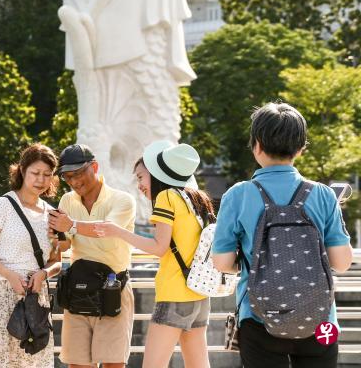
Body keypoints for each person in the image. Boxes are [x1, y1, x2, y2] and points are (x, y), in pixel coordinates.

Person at [212, 102, 353, 368]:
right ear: (300, 148)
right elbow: (342, 262)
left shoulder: (238, 195)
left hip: (257, 317)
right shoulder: (323, 194)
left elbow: (221, 262)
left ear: (256, 145)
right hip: (322, 321)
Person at [94, 141, 213, 368]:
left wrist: (117, 231)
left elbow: (160, 247)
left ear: (157, 174)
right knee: (198, 364)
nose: (139, 185)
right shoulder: (197, 198)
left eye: (140, 177)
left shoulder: (166, 198)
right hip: (199, 294)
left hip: (174, 294)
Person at [0, 143, 62, 368]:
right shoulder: (2, 205)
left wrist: (44, 273)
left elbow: (57, 261)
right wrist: (9, 275)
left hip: (33, 299)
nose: (41, 180)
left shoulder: (52, 214)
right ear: (22, 171)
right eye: (35, 173)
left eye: (47, 175)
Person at [47, 144, 137, 368]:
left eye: (78, 173)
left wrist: (71, 224)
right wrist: (55, 237)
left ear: (94, 167)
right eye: (68, 177)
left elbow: (108, 230)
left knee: (112, 364)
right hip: (77, 289)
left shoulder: (123, 200)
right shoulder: (67, 201)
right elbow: (66, 244)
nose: (75, 182)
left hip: (113, 288)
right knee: (77, 364)